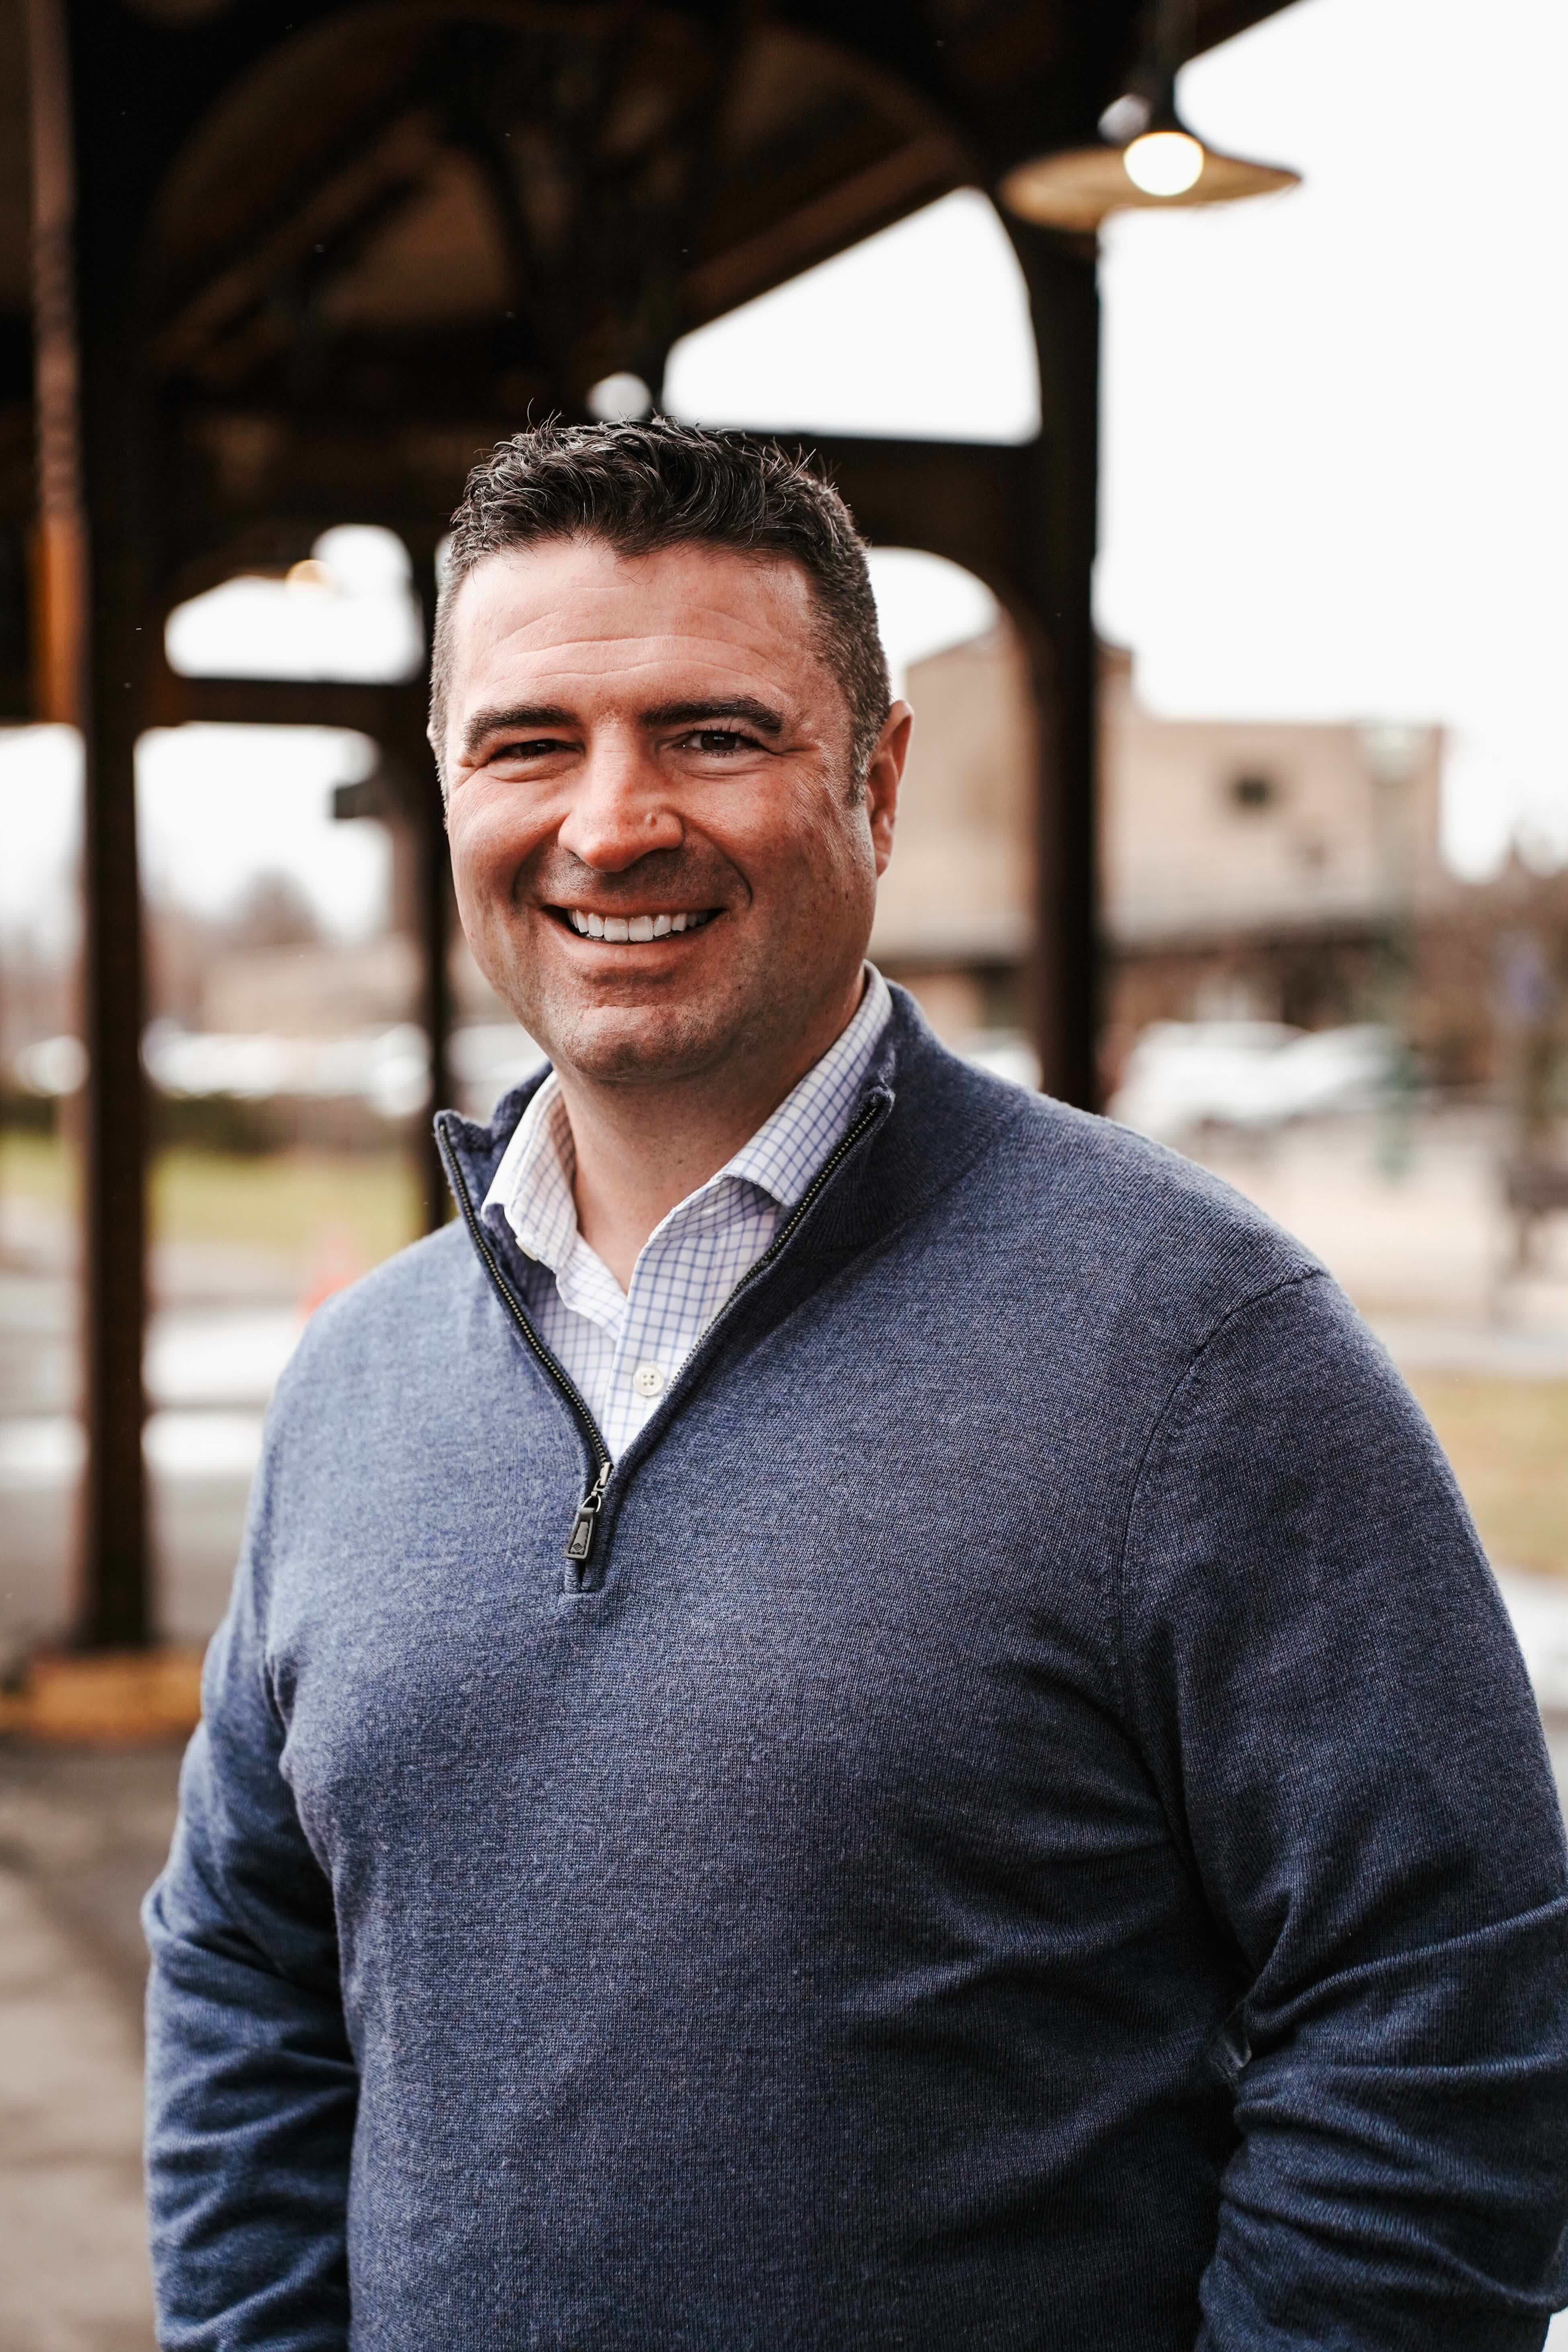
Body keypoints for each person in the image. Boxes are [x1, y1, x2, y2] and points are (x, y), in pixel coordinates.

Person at [144, 419, 1568, 2351]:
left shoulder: (1196, 1349)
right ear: (450, 785)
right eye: (529, 742)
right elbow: (246, 1972)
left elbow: (1454, 2015)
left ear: (876, 783)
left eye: (711, 733)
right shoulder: (358, 1379)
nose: (612, 822)